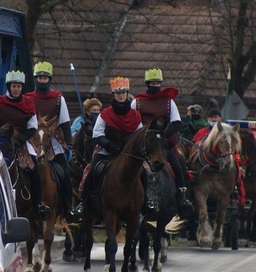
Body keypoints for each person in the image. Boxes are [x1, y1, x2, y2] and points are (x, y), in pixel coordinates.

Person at [72, 77, 158, 217]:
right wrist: (111, 146)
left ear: (126, 93)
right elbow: (97, 134)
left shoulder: (136, 115)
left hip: (129, 154)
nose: (121, 95)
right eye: (118, 93)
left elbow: (139, 136)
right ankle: (84, 202)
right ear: (114, 95)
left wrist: (128, 147)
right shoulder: (105, 114)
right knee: (92, 170)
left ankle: (146, 201)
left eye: (123, 92)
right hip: (107, 151)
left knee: (143, 172)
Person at [0, 69, 51, 218]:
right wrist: (0, 139)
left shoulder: (28, 103)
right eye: (14, 86)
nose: (16, 89)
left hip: (22, 143)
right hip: (1, 141)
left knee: (35, 172)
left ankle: (37, 205)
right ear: (9, 87)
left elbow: (33, 127)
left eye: (19, 87)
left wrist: (20, 140)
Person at [133, 68, 195, 217]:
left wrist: (163, 136)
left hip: (164, 144)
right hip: (143, 144)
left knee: (178, 165)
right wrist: (144, 136)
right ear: (147, 84)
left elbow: (176, 122)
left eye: (158, 83)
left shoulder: (169, 102)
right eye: (153, 83)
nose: (156, 86)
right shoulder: (137, 102)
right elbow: (132, 121)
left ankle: (181, 199)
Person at [23, 61, 75, 217]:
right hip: (31, 140)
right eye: (39, 78)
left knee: (65, 174)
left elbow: (65, 122)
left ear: (49, 79)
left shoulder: (58, 98)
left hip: (53, 142)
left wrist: (69, 143)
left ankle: (67, 209)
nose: (42, 80)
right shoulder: (27, 98)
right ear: (35, 79)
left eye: (45, 78)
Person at [192, 108, 246, 205]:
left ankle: (237, 187)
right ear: (208, 119)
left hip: (224, 158)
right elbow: (193, 144)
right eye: (211, 117)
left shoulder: (228, 131)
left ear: (220, 118)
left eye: (215, 117)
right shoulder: (202, 131)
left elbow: (234, 146)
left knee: (237, 169)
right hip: (206, 162)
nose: (214, 119)